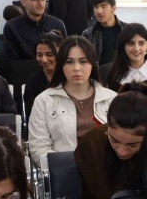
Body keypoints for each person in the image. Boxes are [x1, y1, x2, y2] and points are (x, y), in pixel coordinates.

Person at [73, 83, 147, 199]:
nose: (122, 151)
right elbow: (90, 195)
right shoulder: (93, 144)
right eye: (114, 140)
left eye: (133, 145)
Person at [27, 36, 116, 165]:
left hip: (106, 168)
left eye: (83, 61)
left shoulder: (111, 98)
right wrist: (67, 166)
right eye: (69, 62)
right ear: (61, 65)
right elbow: (38, 148)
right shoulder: (44, 100)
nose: (76, 68)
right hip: (63, 170)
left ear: (92, 64)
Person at [3, 0, 67, 61]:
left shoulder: (57, 24)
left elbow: (65, 55)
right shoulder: (12, 27)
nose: (40, 3)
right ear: (23, 2)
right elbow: (12, 61)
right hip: (24, 68)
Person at [101, 22, 147, 89]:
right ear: (123, 46)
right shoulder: (114, 75)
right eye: (131, 43)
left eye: (141, 43)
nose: (136, 49)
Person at [22, 31, 64, 121]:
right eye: (39, 55)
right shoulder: (33, 81)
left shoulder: (71, 78)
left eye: (50, 54)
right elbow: (32, 116)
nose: (44, 60)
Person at [82, 0, 126, 66]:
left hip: (123, 72)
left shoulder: (127, 30)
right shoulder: (88, 34)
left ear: (113, 8)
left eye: (103, 6)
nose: (99, 11)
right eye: (96, 7)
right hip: (98, 72)